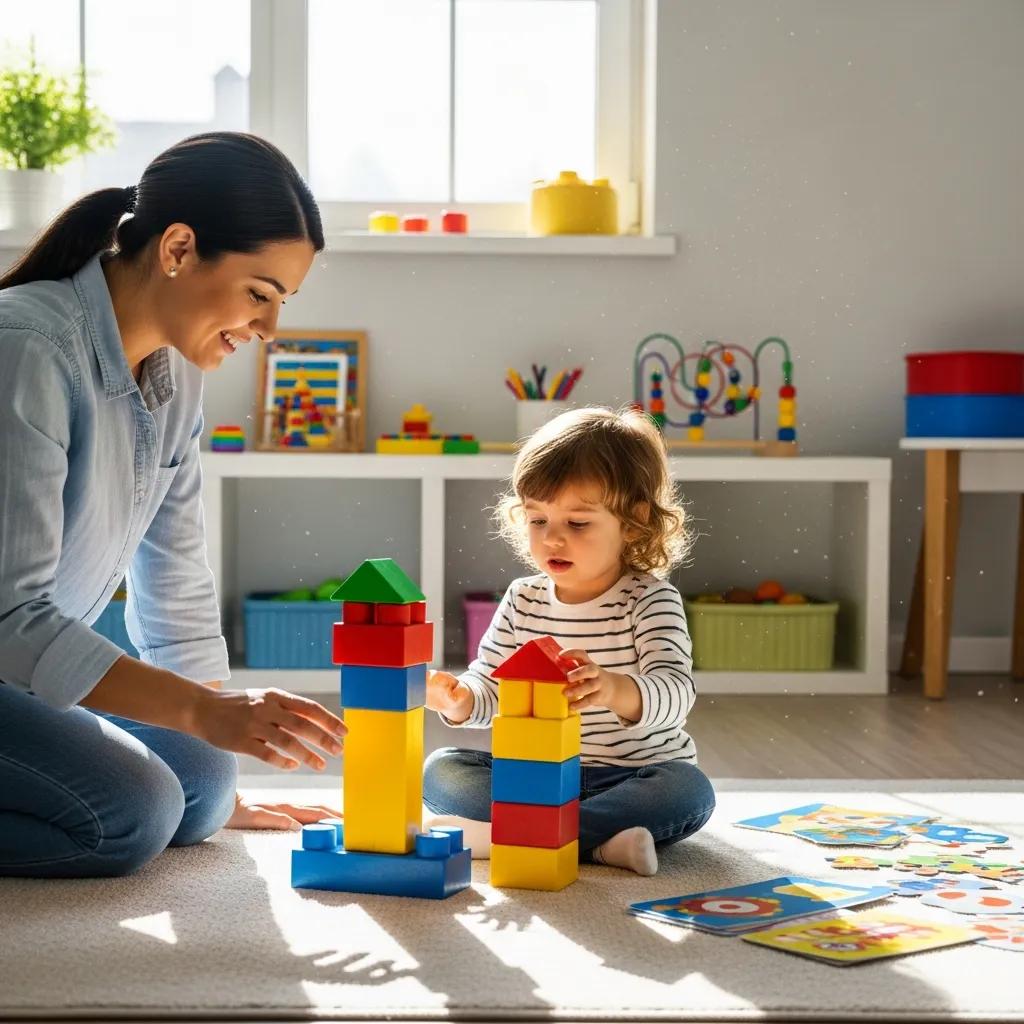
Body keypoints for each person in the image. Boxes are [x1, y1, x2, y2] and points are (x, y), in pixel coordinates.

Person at [0, 132, 345, 879]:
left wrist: (219, 729)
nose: (269, 331)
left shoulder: (178, 373)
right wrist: (202, 712)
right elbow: (11, 618)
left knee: (205, 781)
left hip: (24, 673)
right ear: (179, 249)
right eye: (259, 294)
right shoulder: (27, 348)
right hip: (8, 651)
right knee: (136, 812)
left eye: (281, 303)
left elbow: (175, 568)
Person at [422, 406, 716, 876]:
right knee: (443, 769)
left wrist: (615, 689)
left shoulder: (650, 599)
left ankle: (513, 836)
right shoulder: (523, 599)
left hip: (629, 776)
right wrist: (458, 700)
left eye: (577, 524)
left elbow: (676, 692)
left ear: (635, 521)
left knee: (688, 791)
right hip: (533, 776)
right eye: (538, 521)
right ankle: (597, 844)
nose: (552, 539)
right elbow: (492, 687)